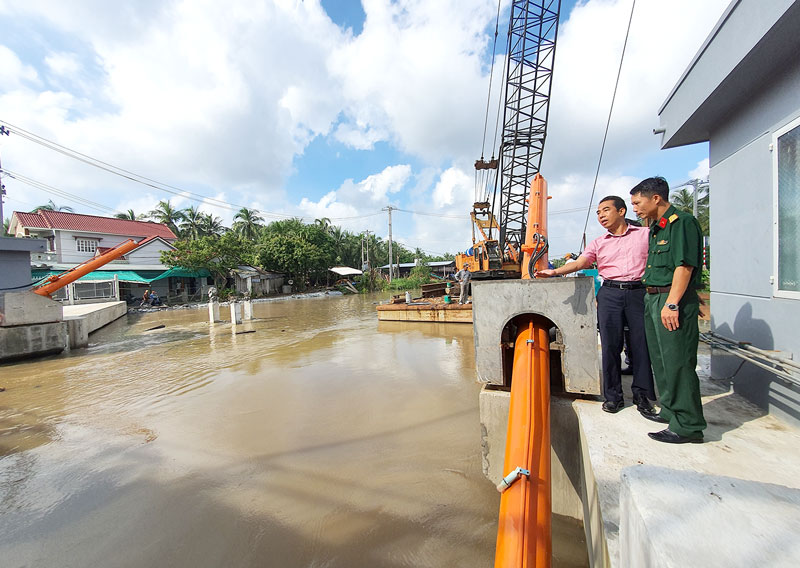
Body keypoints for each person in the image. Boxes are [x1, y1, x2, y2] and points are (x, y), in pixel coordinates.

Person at [536, 195, 659, 421]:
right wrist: (554, 272)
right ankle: (613, 396)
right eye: (598, 213)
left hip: (638, 292)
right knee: (610, 346)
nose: (601, 216)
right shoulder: (599, 242)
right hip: (610, 293)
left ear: (621, 211)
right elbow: (580, 263)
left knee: (641, 345)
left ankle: (642, 396)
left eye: (606, 210)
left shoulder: (645, 235)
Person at [630, 176, 706, 444]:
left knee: (678, 363)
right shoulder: (656, 228)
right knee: (661, 361)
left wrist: (672, 303)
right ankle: (671, 410)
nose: (635, 209)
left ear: (656, 198)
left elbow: (684, 266)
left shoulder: (681, 223)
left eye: (638, 203)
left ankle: (688, 426)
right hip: (653, 299)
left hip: (670, 300)